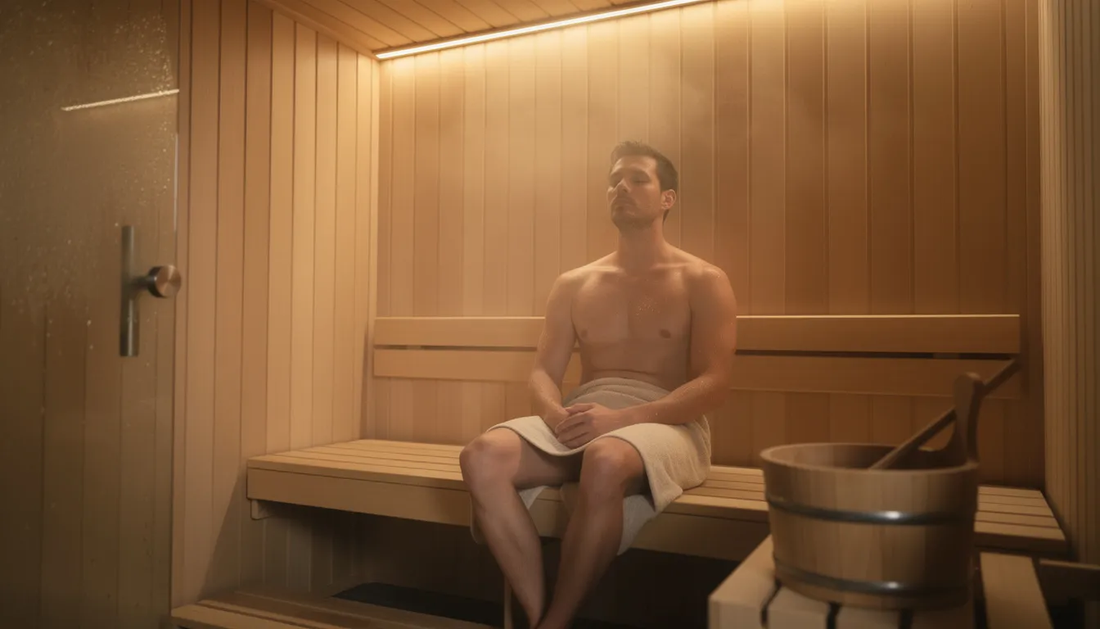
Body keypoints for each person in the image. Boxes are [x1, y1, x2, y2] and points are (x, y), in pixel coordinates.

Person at [458, 140, 739, 629]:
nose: (620, 189)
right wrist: (554, 414)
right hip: (581, 419)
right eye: (614, 181)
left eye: (636, 179)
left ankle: (557, 623)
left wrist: (622, 421)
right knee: (481, 455)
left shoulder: (702, 280)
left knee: (606, 458)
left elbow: (714, 384)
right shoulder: (574, 283)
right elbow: (544, 371)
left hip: (666, 423)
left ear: (667, 198)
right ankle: (537, 612)